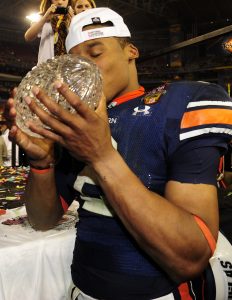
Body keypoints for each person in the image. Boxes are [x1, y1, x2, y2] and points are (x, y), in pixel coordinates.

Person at [5, 7, 232, 299]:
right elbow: (43, 219)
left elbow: (190, 257)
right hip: (82, 289)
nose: (85, 70)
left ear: (131, 52)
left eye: (96, 53)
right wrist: (41, 163)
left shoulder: (181, 103)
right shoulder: (74, 124)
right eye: (77, 62)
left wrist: (101, 156)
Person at [24, 0, 73, 64]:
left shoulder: (74, 18)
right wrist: (45, 18)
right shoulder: (41, 17)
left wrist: (72, 20)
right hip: (45, 65)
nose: (60, 2)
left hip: (67, 66)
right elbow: (28, 37)